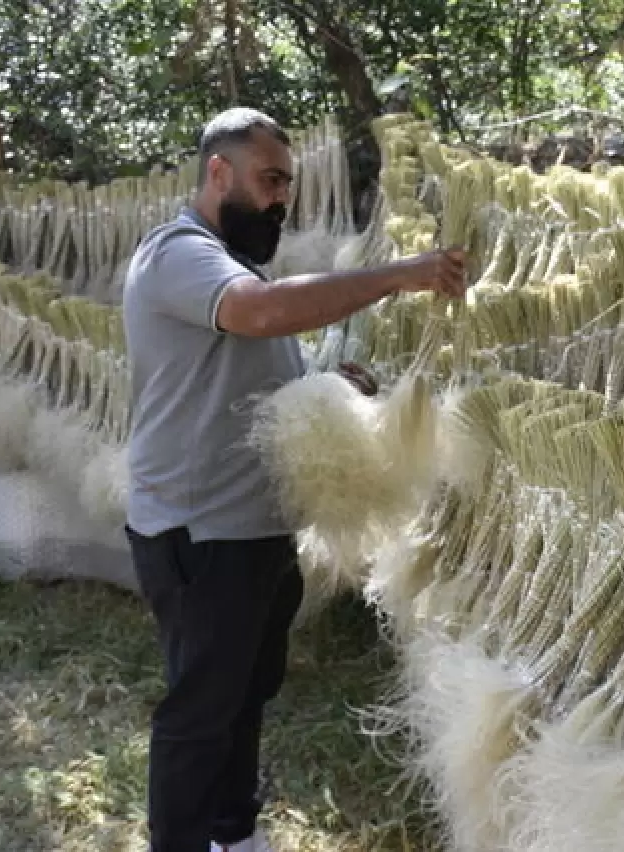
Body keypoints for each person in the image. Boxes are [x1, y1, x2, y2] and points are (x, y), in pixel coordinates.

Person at [120, 106, 466, 852]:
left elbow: (248, 375)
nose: (281, 198)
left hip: (252, 528)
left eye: (287, 184)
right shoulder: (176, 254)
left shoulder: (232, 264)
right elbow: (261, 313)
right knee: (201, 711)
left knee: (245, 696)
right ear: (218, 172)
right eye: (268, 179)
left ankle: (233, 835)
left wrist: (325, 384)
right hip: (200, 531)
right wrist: (400, 275)